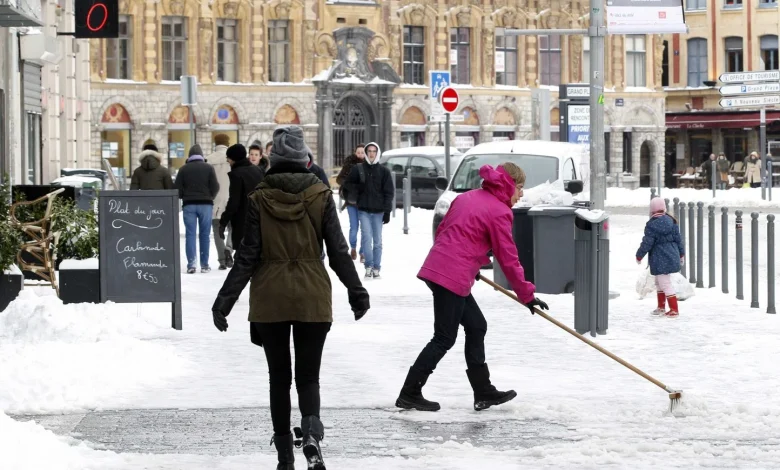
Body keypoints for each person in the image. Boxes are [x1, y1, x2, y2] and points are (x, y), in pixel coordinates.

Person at [211, 125, 370, 470]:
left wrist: (224, 300)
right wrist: (356, 292)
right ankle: (311, 431)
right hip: (313, 293)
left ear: (274, 160)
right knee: (309, 377)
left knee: (279, 378)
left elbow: (247, 256)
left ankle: (285, 457)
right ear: (303, 159)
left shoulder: (258, 197)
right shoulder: (321, 194)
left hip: (270, 297)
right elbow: (339, 252)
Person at [395, 163, 548, 412]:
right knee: (444, 337)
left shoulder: (466, 198)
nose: (521, 194)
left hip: (441, 268)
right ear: (508, 185)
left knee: (477, 326)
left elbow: (447, 232)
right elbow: (508, 258)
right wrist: (527, 295)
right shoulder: (499, 211)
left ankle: (483, 391)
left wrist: (471, 264)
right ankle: (410, 392)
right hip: (451, 275)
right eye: (519, 188)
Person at [343, 142, 393, 279]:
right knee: (366, 238)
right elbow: (347, 184)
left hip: (378, 211)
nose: (371, 153)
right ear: (366, 153)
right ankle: (368, 266)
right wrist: (358, 191)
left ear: (378, 153)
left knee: (377, 241)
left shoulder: (384, 172)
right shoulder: (358, 169)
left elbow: (389, 193)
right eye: (369, 151)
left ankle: (377, 267)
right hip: (363, 210)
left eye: (374, 151)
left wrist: (387, 211)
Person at [636, 197, 685, 317]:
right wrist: (681, 253)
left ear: (651, 211)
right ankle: (661, 307)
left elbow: (647, 243)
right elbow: (678, 240)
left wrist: (639, 255)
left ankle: (674, 309)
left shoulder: (651, 225)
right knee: (659, 282)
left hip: (659, 258)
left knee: (665, 284)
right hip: (671, 255)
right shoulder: (671, 221)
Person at [175, 144, 219, 274]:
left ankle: (191, 264)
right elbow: (215, 186)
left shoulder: (183, 169)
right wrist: (210, 196)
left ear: (189, 156)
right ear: (201, 156)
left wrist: (184, 196)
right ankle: (204, 265)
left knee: (190, 234)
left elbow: (177, 188)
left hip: (189, 205)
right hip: (206, 204)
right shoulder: (209, 168)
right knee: (205, 235)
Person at [218, 144, 266, 252]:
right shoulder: (257, 170)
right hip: (259, 219)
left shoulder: (236, 174)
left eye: (228, 158)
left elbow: (234, 202)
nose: (227, 160)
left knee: (242, 256)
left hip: (243, 221)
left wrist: (223, 222)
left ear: (234, 158)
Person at [336, 144, 366, 262]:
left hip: (364, 202)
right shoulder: (349, 164)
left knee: (364, 228)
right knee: (354, 227)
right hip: (351, 201)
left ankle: (362, 252)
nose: (360, 155)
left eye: (362, 152)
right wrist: (350, 184)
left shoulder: (369, 165)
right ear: (355, 153)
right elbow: (339, 179)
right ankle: (353, 248)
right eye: (358, 152)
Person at [208, 134, 234, 270]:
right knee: (233, 228)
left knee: (218, 230)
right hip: (231, 199)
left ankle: (222, 260)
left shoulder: (209, 160)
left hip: (215, 201)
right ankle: (229, 249)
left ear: (215, 143)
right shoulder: (232, 159)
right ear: (227, 143)